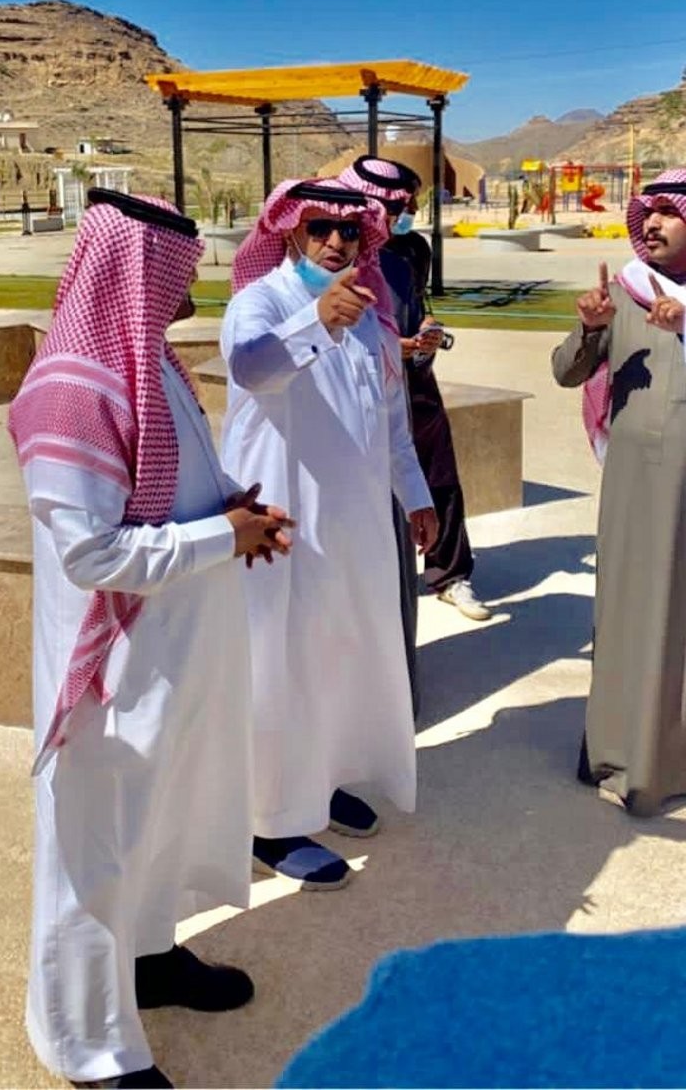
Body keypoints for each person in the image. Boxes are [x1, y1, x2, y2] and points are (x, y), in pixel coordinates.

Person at [8, 188, 294, 1088]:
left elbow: (169, 490)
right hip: (114, 670)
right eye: (181, 266)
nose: (195, 281)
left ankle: (149, 957)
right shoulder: (72, 388)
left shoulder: (151, 363)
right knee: (96, 850)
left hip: (173, 651)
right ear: (136, 269)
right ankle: (85, 1040)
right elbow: (93, 552)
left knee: (158, 822)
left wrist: (235, 510)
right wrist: (222, 537)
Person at [221, 178, 437, 891]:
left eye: (349, 231)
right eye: (320, 228)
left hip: (353, 526)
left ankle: (321, 781)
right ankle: (270, 820)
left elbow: (391, 420)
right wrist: (316, 320)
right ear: (290, 229)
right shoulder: (261, 302)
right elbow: (252, 367)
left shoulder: (371, 318)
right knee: (280, 663)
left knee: (339, 654)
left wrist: (415, 496)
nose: (336, 242)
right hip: (282, 525)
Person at [552, 167, 686, 817]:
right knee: (634, 610)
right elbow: (565, 372)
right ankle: (620, 753)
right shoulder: (623, 293)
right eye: (647, 214)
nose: (652, 224)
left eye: (668, 213)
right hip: (640, 483)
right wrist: (590, 328)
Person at [340, 157, 490, 627]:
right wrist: (388, 348)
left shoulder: (411, 250)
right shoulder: (340, 252)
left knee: (439, 474)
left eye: (410, 205)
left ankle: (450, 574)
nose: (404, 214)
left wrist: (427, 330)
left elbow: (418, 305)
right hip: (363, 388)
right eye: (397, 206)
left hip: (416, 379)